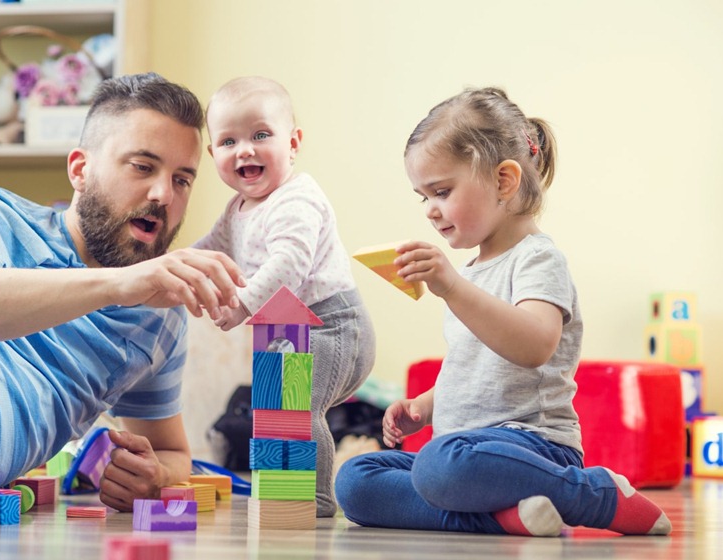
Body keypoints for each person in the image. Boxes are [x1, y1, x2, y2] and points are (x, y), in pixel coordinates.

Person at [0, 73, 247, 527]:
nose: (162, 195)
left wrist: (155, 475)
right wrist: (115, 283)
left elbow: (173, 453)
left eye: (182, 180)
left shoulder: (158, 318)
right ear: (79, 169)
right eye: (142, 167)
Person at [334, 87, 672, 537]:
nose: (432, 211)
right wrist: (425, 407)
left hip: (533, 448)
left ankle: (592, 494)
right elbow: (473, 364)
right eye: (423, 197)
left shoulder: (537, 259)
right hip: (465, 448)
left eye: (442, 191)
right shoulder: (471, 272)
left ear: (503, 181)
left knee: (439, 467)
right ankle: (505, 518)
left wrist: (451, 286)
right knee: (356, 481)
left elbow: (533, 345)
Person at [194, 76, 376, 517]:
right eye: (228, 141)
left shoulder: (297, 198)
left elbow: (289, 265)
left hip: (333, 324)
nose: (245, 150)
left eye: (261, 135)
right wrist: (171, 269)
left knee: (298, 406)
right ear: (213, 153)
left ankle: (314, 497)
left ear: (292, 143)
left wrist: (240, 303)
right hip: (284, 327)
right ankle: (279, 492)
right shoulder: (237, 210)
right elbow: (207, 251)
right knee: (271, 410)